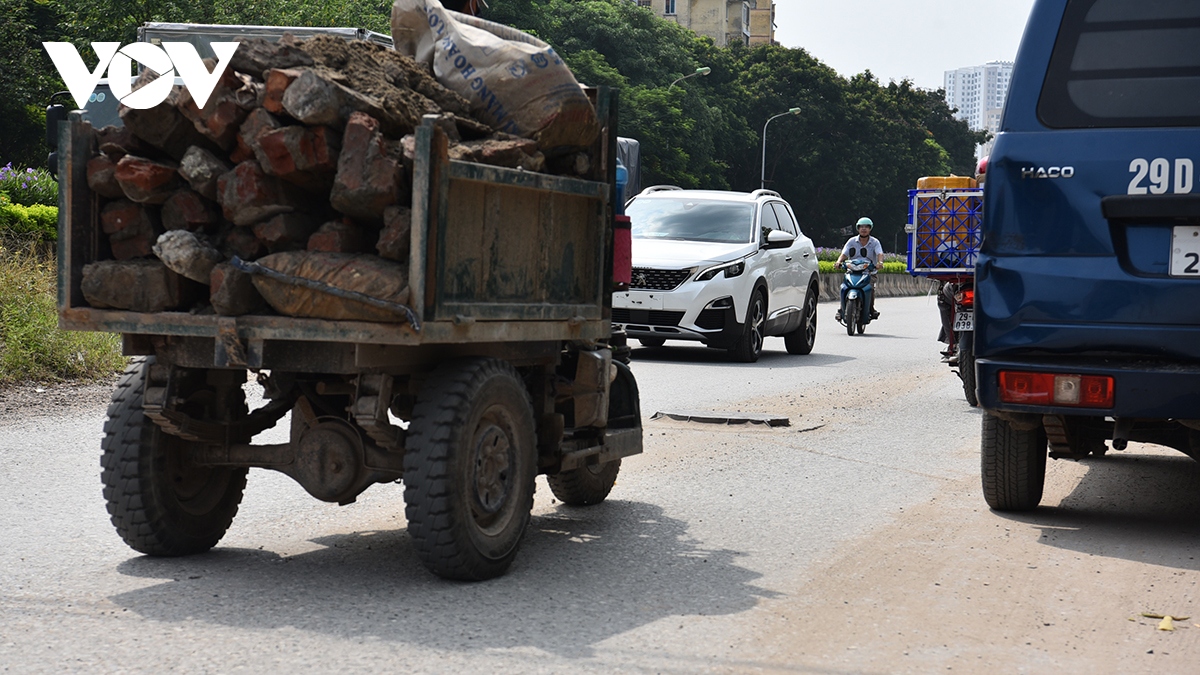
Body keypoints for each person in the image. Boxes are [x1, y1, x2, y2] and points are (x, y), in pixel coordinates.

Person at [835, 217, 885, 321]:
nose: (864, 229)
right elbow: (844, 253)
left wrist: (880, 263)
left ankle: (871, 309)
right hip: (852, 272)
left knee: (870, 289)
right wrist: (839, 262)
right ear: (858, 228)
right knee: (844, 287)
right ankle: (841, 309)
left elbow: (879, 253)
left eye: (866, 227)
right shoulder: (851, 241)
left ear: (870, 229)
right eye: (861, 227)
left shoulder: (875, 242)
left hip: (869, 272)